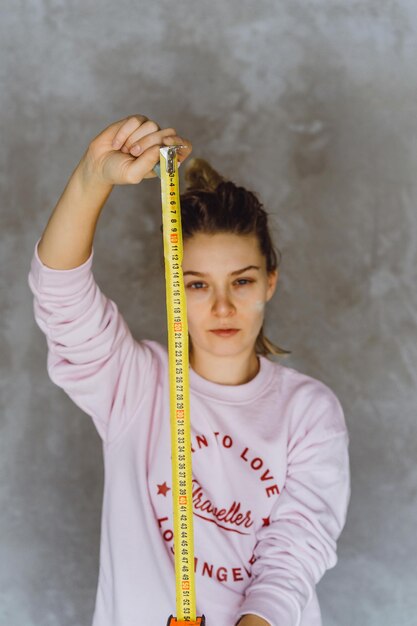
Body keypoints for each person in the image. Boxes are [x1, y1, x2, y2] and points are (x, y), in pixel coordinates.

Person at [28, 114, 350, 626]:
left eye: (240, 282)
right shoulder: (134, 387)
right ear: (173, 285)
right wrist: (92, 177)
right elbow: (59, 298)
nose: (222, 306)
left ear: (270, 280)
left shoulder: (309, 411)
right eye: (197, 284)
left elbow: (294, 552)